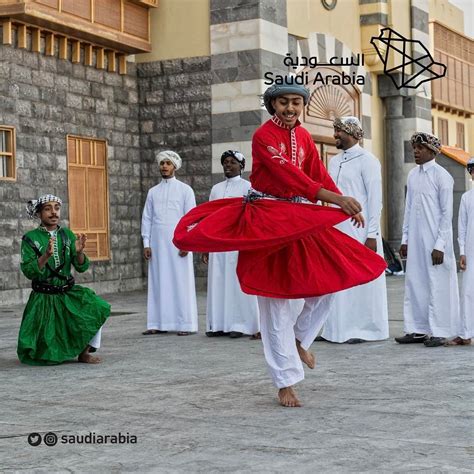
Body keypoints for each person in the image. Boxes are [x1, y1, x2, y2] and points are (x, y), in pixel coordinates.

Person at [174, 80, 386, 407]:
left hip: (297, 215)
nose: (289, 108)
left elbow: (315, 173)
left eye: (295, 103)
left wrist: (340, 204)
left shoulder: (303, 136)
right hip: (265, 218)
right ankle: (285, 380)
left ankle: (299, 339)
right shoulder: (263, 137)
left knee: (326, 284)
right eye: (283, 102)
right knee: (273, 300)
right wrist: (334, 198)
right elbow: (289, 174)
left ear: (302, 106)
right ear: (273, 105)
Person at [18, 194, 109, 365]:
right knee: (47, 353)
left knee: (98, 307)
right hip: (44, 298)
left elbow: (81, 267)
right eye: (47, 209)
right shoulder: (30, 238)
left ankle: (85, 352)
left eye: (57, 208)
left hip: (67, 292)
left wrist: (80, 252)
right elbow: (29, 271)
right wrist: (45, 255)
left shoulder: (67, 234)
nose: (53, 212)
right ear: (39, 213)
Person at [320, 117, 388, 344]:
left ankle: (363, 329)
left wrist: (372, 234)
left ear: (352, 133)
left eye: (339, 131)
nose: (335, 135)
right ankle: (336, 329)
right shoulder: (334, 161)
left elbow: (375, 200)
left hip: (360, 231)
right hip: (337, 230)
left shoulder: (368, 160)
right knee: (338, 277)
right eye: (335, 131)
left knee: (361, 280)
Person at [395, 132, 459, 347]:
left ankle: (440, 331)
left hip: (436, 242)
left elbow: (446, 213)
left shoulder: (443, 176)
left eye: (420, 148)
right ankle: (417, 329)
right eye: (414, 147)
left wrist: (439, 245)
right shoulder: (413, 175)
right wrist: (405, 239)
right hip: (415, 240)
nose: (416, 151)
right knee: (415, 282)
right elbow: (409, 209)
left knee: (438, 283)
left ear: (432, 151)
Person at [203, 150, 260, 339]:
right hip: (218, 242)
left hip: (238, 241)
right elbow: (209, 217)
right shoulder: (216, 189)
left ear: (241, 166)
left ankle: (240, 324)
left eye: (232, 162)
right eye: (225, 162)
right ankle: (218, 324)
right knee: (218, 281)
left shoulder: (249, 187)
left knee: (236, 283)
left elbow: (253, 215)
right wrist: (206, 246)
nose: (228, 165)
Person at [141, 150, 198, 336]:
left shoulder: (185, 190)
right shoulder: (152, 192)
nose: (164, 166)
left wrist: (187, 243)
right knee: (158, 281)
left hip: (178, 244)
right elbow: (147, 219)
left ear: (175, 166)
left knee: (181, 282)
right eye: (162, 163)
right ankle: (157, 323)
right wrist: (146, 243)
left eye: (168, 163)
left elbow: (191, 219)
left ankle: (186, 324)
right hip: (157, 244)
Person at [447, 158, 474, 345]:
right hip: (471, 250)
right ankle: (465, 333)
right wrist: (462, 251)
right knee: (467, 292)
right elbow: (462, 226)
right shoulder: (466, 197)